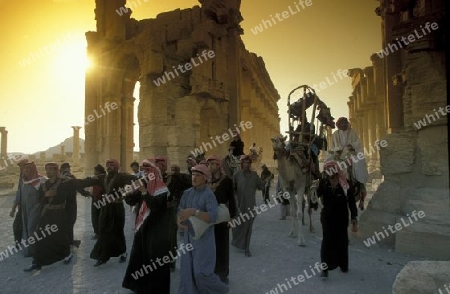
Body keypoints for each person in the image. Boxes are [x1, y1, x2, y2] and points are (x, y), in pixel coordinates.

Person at [24, 162, 91, 272]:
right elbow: (39, 201)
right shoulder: (44, 185)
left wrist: (88, 190)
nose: (48, 171)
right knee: (40, 236)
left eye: (51, 169)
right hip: (47, 213)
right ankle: (37, 262)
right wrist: (46, 195)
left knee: (61, 237)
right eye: (47, 169)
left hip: (60, 214)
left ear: (56, 170)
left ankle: (67, 254)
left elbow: (79, 184)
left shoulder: (65, 183)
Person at [177, 164, 229, 294]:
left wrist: (194, 212)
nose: (194, 178)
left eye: (198, 175)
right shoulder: (187, 193)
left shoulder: (208, 195)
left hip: (204, 239)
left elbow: (212, 217)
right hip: (189, 237)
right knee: (187, 270)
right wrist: (179, 221)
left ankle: (221, 290)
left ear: (205, 178)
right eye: (193, 175)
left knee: (201, 272)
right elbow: (179, 210)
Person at [122, 159, 171, 293]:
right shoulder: (143, 184)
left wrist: (144, 192)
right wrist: (128, 193)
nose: (145, 173)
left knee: (155, 259)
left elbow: (155, 206)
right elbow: (132, 202)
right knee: (140, 255)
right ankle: (139, 285)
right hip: (143, 227)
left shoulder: (161, 188)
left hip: (156, 229)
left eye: (147, 170)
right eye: (143, 171)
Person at [88, 159, 137, 266]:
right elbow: (88, 181)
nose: (109, 167)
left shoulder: (121, 177)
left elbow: (134, 179)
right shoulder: (102, 178)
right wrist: (72, 182)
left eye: (111, 165)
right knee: (103, 230)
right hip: (105, 208)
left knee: (117, 230)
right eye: (107, 165)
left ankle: (123, 252)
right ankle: (103, 256)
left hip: (117, 207)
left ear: (116, 167)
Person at [316, 160, 358, 279]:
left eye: (331, 169)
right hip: (327, 218)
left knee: (342, 241)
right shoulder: (323, 183)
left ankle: (343, 265)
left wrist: (354, 217)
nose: (330, 172)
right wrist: (313, 188)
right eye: (327, 170)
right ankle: (325, 269)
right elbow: (315, 197)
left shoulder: (345, 184)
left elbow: (351, 202)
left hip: (341, 218)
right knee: (326, 242)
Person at [207, 155, 237, 285]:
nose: (209, 167)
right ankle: (211, 272)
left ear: (218, 166)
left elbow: (232, 199)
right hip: (208, 216)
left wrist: (232, 216)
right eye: (208, 164)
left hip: (223, 216)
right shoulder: (206, 180)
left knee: (222, 246)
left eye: (212, 164)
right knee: (209, 246)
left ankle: (223, 274)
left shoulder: (227, 180)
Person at [330, 117, 368, 209]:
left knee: (359, 166)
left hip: (351, 154)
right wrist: (337, 150)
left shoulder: (353, 132)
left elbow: (357, 143)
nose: (343, 125)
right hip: (338, 155)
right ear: (338, 125)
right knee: (329, 166)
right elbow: (332, 147)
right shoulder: (335, 134)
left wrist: (351, 146)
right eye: (341, 123)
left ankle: (360, 187)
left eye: (345, 123)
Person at [231, 155, 263, 257]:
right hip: (239, 206)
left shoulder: (254, 175)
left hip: (251, 206)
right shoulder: (236, 175)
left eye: (248, 163)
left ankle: (247, 248)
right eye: (244, 163)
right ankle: (238, 243)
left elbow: (261, 186)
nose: (247, 165)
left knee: (248, 227)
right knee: (237, 226)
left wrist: (265, 181)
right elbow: (232, 189)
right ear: (241, 164)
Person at [166, 163, 192, 271]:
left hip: (183, 203)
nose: (173, 171)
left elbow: (189, 184)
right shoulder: (170, 179)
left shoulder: (183, 177)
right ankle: (171, 262)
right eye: (172, 169)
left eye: (175, 169)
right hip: (174, 204)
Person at [60, 162, 91, 248]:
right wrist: (85, 193)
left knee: (65, 222)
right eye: (68, 167)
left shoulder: (58, 177)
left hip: (61, 203)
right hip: (70, 202)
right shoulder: (70, 177)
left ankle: (68, 240)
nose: (69, 169)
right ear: (66, 168)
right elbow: (78, 186)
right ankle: (69, 241)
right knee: (70, 221)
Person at [19, 162, 45, 257]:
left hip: (36, 208)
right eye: (24, 169)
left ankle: (36, 250)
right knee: (26, 228)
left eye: (28, 169)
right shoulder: (23, 181)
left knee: (31, 229)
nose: (26, 171)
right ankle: (29, 250)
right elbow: (20, 195)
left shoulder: (41, 180)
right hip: (25, 209)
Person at [10, 158, 29, 248]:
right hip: (22, 206)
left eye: (22, 165)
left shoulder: (31, 177)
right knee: (17, 224)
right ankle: (19, 242)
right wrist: (14, 208)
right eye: (20, 166)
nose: (21, 167)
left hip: (30, 206)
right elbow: (19, 193)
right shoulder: (22, 176)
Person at [90, 164, 106, 239]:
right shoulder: (106, 177)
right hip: (102, 199)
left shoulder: (98, 178)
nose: (94, 172)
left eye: (95, 170)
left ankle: (97, 233)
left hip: (97, 199)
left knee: (96, 216)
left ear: (98, 171)